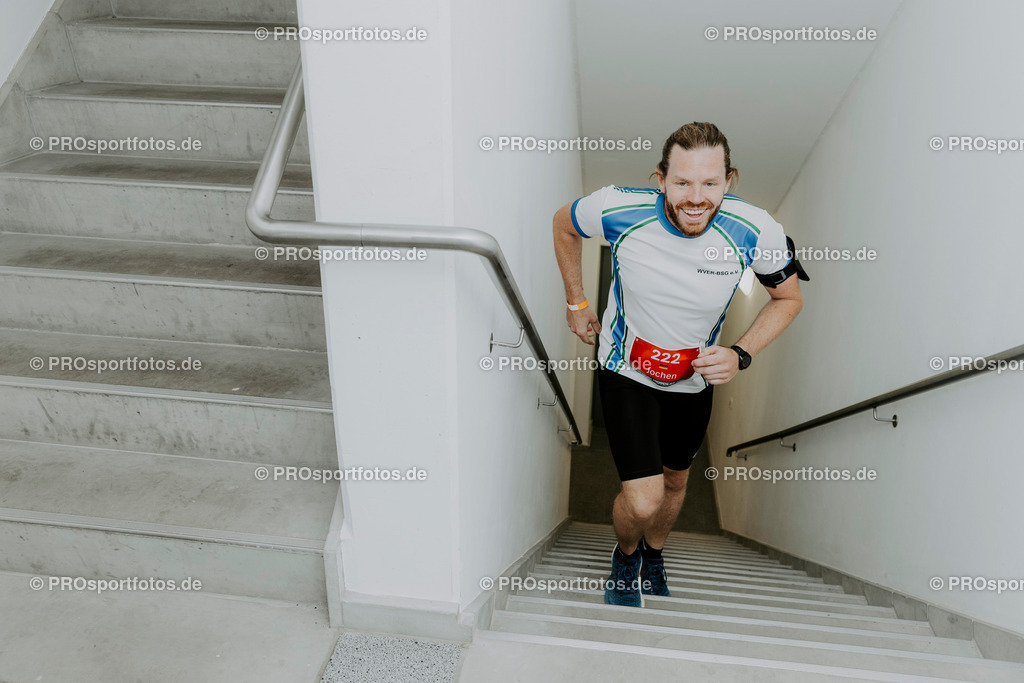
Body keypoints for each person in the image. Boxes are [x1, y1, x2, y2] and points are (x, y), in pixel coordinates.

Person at [552, 122, 808, 606]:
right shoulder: (617, 208)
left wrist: (740, 352)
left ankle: (654, 551)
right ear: (660, 178)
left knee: (675, 480)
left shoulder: (756, 230)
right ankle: (626, 553)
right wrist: (576, 303)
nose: (696, 197)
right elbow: (562, 224)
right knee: (643, 497)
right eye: (682, 182)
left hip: (692, 384)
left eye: (710, 183)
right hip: (625, 371)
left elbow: (788, 298)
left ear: (729, 181)